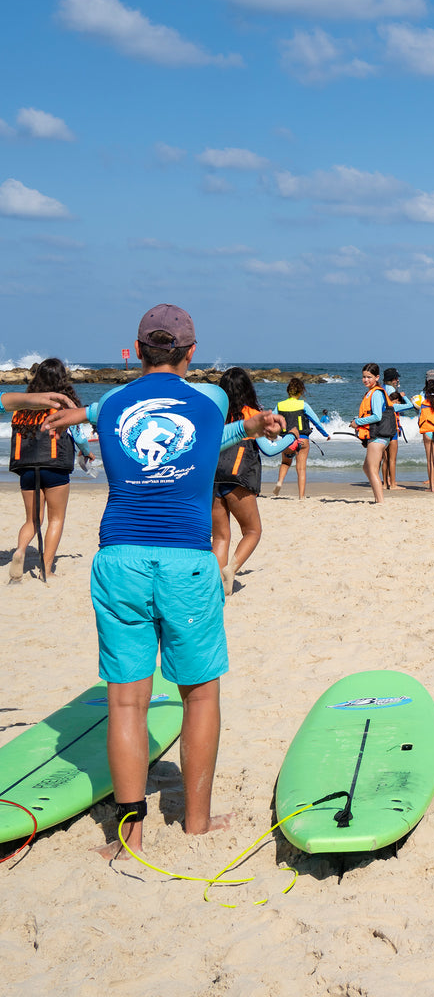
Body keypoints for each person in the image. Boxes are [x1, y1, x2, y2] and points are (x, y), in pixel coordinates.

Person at [42, 304, 284, 854]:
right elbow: (210, 431)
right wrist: (253, 423)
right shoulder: (212, 398)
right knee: (199, 696)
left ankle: (130, 834)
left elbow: (101, 416)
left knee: (126, 702)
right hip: (186, 562)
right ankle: (196, 823)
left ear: (137, 348)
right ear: (191, 352)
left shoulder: (111, 407)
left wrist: (67, 415)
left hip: (119, 557)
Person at [213, 368, 296, 595]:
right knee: (252, 531)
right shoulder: (252, 416)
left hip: (213, 479)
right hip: (239, 478)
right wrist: (291, 436)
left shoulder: (217, 414)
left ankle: (218, 584)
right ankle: (231, 569)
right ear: (249, 389)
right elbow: (269, 449)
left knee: (220, 536)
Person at [8, 358, 91, 582]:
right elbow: (80, 435)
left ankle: (21, 551)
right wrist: (86, 451)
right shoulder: (64, 404)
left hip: (26, 467)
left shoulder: (23, 406)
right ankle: (46, 570)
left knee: (33, 520)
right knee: (56, 519)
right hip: (55, 466)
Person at [272, 376, 330, 499]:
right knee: (301, 468)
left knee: (285, 463)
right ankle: (301, 496)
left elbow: (271, 421)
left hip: (287, 441)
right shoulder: (303, 405)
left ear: (288, 391)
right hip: (302, 440)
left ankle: (279, 482)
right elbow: (315, 421)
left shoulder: (279, 405)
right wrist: (325, 434)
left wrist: (270, 437)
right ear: (300, 392)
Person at [351, 363, 396, 503]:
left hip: (378, 437)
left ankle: (380, 501)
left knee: (372, 470)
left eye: (369, 377)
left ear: (377, 377)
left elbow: (377, 416)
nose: (366, 380)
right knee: (367, 468)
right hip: (378, 437)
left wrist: (357, 422)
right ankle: (378, 499)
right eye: (364, 377)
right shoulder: (372, 392)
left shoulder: (376, 393)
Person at [380, 368, 413, 490]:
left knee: (385, 458)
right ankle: (393, 484)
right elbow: (410, 406)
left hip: (381, 428)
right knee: (392, 459)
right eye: (395, 378)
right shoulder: (393, 400)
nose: (397, 380)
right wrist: (402, 396)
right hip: (392, 429)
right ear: (391, 379)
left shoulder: (381, 388)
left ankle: (384, 483)